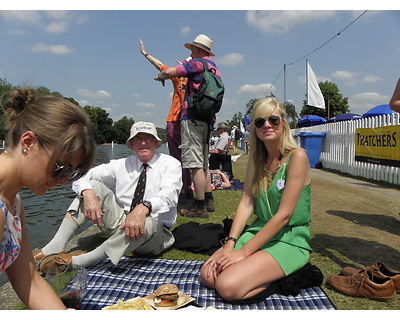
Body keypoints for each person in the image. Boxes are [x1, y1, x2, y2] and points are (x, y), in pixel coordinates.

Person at [200, 97, 312, 302]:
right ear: (255, 129)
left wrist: (243, 253)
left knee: (227, 287)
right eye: (260, 122)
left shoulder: (297, 157)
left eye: (273, 120)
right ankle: (258, 271)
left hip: (290, 239)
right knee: (208, 276)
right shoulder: (257, 161)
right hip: (260, 231)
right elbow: (246, 202)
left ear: (284, 124)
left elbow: (284, 215)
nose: (267, 125)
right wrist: (230, 244)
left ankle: (284, 276)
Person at [35, 122, 182, 272]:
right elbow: (81, 176)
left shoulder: (171, 164)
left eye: (148, 138)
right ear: (131, 144)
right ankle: (56, 246)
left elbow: (169, 195)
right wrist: (88, 193)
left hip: (156, 233)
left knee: (147, 222)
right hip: (122, 222)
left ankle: (81, 261)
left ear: (157, 143)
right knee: (92, 186)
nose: (143, 143)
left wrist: (144, 207)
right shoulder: (121, 164)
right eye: (138, 139)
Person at [0, 88, 96, 309]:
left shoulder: (14, 204)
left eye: (70, 173)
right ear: (28, 142)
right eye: (60, 168)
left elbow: (31, 281)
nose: (63, 181)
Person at [155, 34, 222, 218]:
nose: (191, 52)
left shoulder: (196, 63)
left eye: (192, 49)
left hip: (192, 117)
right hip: (208, 120)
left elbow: (170, 72)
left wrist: (161, 76)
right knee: (205, 163)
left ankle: (199, 207)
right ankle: (208, 200)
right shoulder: (214, 67)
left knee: (194, 165)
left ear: (199, 50)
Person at [139, 39, 193, 204]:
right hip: (190, 121)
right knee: (190, 157)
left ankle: (182, 189)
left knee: (177, 158)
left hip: (176, 120)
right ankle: (188, 188)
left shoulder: (179, 78)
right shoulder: (195, 79)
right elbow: (160, 67)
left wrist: (145, 54)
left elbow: (160, 66)